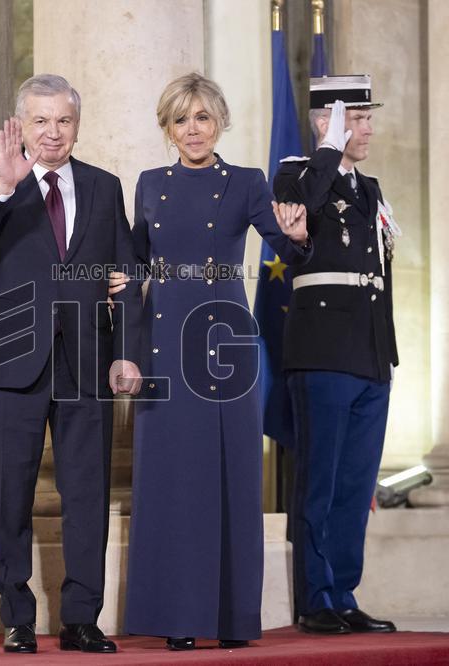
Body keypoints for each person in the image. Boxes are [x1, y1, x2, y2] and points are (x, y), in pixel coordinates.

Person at [117, 73, 309, 650]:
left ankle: (228, 619)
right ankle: (178, 618)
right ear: (167, 128)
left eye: (202, 117)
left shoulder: (248, 182)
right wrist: (124, 342)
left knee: (228, 476)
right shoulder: (149, 184)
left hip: (224, 344)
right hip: (163, 342)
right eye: (181, 119)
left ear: (220, 120)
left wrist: (299, 237)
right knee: (171, 480)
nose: (192, 129)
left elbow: (288, 247)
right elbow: (134, 268)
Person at [0, 74, 143, 655]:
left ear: (77, 125)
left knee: (86, 495)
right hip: (12, 361)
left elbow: (129, 275)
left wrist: (129, 351)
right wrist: (5, 191)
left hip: (86, 362)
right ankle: (16, 615)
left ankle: (82, 618)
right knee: (8, 494)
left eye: (62, 120)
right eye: (40, 120)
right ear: (21, 125)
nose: (52, 132)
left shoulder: (105, 187)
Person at [273, 76, 399, 635]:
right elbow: (303, 203)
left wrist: (387, 355)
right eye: (359, 118)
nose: (369, 128)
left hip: (371, 354)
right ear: (329, 121)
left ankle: (344, 592)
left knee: (354, 483)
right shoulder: (295, 172)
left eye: (369, 118)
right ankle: (316, 597)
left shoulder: (368, 188)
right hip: (323, 352)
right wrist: (329, 147)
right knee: (319, 480)